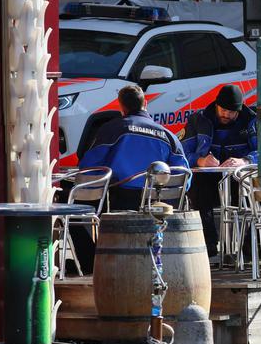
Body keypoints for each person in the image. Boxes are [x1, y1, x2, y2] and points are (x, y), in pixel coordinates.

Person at [74, 85, 189, 270]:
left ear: (122, 107)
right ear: (146, 103)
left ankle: (93, 266)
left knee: (74, 212)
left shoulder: (112, 129)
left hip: (120, 201)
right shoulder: (168, 135)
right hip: (159, 207)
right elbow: (184, 176)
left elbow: (89, 169)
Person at [183, 84, 257, 256]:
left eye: (232, 112)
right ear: (216, 104)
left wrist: (245, 160)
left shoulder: (251, 121)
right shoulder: (198, 120)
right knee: (197, 188)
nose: (227, 115)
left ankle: (250, 248)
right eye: (223, 110)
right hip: (208, 183)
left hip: (241, 182)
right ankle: (208, 245)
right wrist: (200, 160)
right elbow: (181, 153)